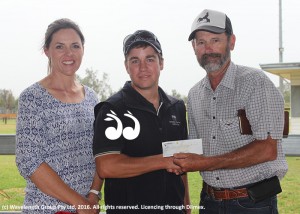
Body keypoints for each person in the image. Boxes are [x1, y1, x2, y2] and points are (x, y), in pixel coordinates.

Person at [173, 9, 288, 214]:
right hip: (209, 201)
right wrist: (158, 155)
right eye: (201, 42)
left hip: (253, 203)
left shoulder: (256, 83)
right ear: (194, 47)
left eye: (215, 40)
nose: (208, 49)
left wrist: (206, 163)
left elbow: (267, 149)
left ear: (232, 42)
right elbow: (195, 148)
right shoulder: (194, 95)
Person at [93, 30, 190, 214]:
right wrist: (162, 161)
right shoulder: (112, 109)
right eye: (135, 60)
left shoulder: (176, 107)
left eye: (150, 59)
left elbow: (181, 161)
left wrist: (186, 204)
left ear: (161, 63)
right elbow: (106, 166)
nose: (143, 67)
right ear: (126, 66)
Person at [16, 18, 102, 214]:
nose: (69, 53)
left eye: (75, 46)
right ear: (47, 51)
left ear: (83, 49)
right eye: (60, 47)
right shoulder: (32, 98)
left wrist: (94, 194)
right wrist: (78, 203)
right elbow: (28, 161)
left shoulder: (92, 98)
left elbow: (100, 150)